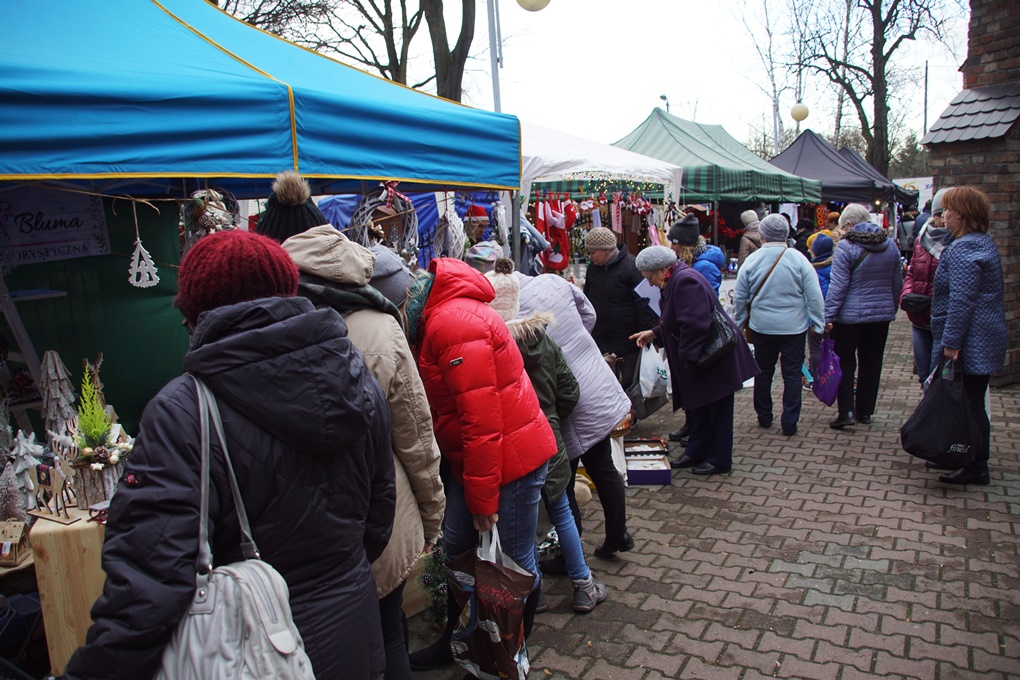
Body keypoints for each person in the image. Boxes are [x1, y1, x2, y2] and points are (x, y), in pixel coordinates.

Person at [64, 231, 396, 680]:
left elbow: (148, 585)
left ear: (196, 315)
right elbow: (378, 516)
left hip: (249, 650)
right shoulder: (357, 378)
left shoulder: (182, 411)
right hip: (353, 629)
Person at [255, 171, 445, 680]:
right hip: (379, 513)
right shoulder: (380, 322)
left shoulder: (252, 327)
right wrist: (432, 513)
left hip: (288, 531)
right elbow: (414, 432)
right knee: (388, 629)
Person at [406, 257, 556, 670]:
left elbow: (482, 422)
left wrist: (483, 500)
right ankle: (461, 641)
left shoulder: (453, 324)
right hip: (481, 460)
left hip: (508, 462)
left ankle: (506, 653)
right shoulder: (445, 316)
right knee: (458, 548)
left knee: (512, 563)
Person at [486, 258, 607, 612]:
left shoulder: (486, 347)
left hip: (509, 445)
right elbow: (570, 390)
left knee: (517, 524)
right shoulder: (543, 339)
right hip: (547, 438)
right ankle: (583, 585)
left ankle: (531, 594)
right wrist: (550, 416)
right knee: (561, 511)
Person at [513, 265, 634, 560]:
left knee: (563, 480)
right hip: (592, 381)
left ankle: (570, 553)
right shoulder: (552, 281)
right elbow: (589, 315)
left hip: (558, 394)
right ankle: (618, 533)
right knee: (603, 467)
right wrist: (578, 340)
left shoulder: (511, 310)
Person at [630, 246, 758, 476]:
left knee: (717, 409)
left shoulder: (685, 282)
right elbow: (676, 319)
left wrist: (688, 359)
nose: (650, 283)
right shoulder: (676, 279)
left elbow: (695, 324)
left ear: (662, 269)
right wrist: (655, 333)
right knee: (701, 406)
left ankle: (719, 459)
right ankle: (697, 450)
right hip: (704, 356)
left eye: (650, 277)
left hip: (712, 358)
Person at [926, 186, 1006, 486]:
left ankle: (976, 465)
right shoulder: (980, 243)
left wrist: (951, 342)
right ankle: (958, 454)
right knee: (968, 400)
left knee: (970, 403)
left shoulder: (965, 248)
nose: (943, 214)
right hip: (980, 335)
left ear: (961, 214)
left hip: (972, 338)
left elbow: (962, 299)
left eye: (947, 209)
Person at [734, 215, 824, 437]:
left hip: (762, 326)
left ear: (762, 234)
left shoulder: (752, 261)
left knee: (763, 371)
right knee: (792, 373)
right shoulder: (799, 259)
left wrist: (738, 323)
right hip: (794, 327)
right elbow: (814, 295)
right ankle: (790, 421)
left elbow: (740, 297)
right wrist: (818, 323)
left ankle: (764, 416)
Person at [824, 205, 903, 429]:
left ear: (850, 224)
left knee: (846, 362)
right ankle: (865, 411)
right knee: (872, 362)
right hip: (880, 317)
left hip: (849, 318)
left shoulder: (846, 247)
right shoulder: (890, 245)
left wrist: (828, 315)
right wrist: (891, 308)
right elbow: (897, 281)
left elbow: (838, 286)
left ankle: (846, 411)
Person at [582, 226, 659, 410]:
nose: (590, 256)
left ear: (606, 250)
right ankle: (611, 415)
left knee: (629, 381)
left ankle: (630, 415)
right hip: (601, 336)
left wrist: (645, 332)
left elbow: (644, 303)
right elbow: (587, 298)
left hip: (627, 338)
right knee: (605, 382)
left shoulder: (631, 267)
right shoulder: (593, 269)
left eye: (593, 252)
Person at [665, 214, 726, 445]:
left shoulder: (703, 266)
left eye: (675, 243)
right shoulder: (690, 263)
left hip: (702, 337)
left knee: (699, 386)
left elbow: (702, 303)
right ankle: (692, 424)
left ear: (684, 244)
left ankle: (699, 432)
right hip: (687, 332)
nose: (672, 247)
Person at [901, 188, 951, 386]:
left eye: (945, 214)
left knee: (940, 377)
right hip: (919, 318)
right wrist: (906, 296)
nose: (942, 220)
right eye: (938, 214)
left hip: (943, 320)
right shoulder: (922, 240)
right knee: (924, 376)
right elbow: (912, 273)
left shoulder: (957, 244)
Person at [807, 231, 835, 377]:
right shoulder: (838, 267)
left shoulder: (813, 271)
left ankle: (819, 378)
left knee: (815, 348)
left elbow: (816, 297)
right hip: (836, 316)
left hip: (816, 316)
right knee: (835, 348)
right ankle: (836, 375)